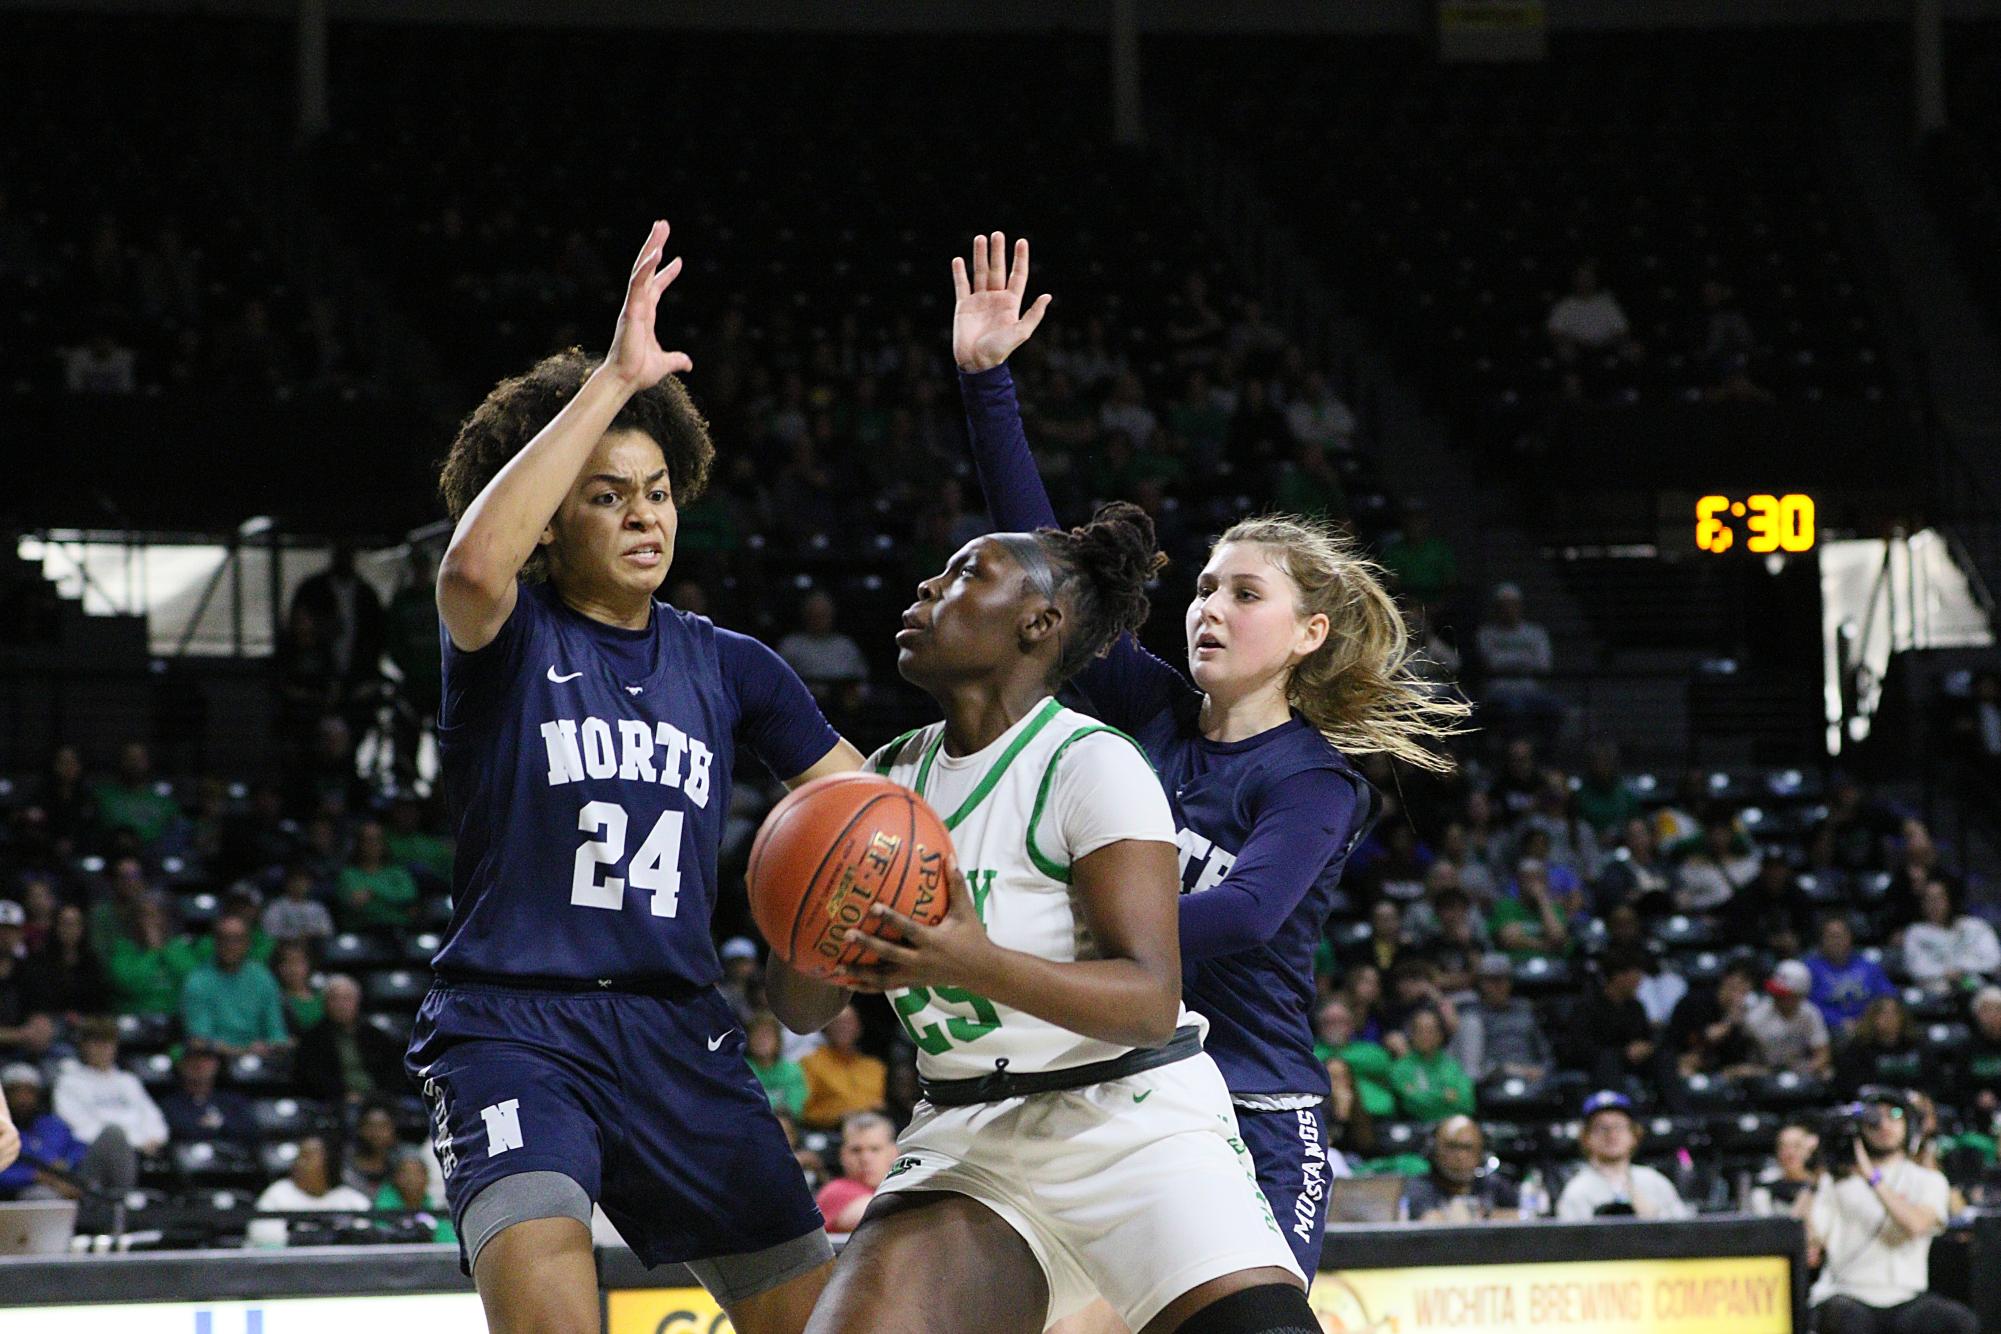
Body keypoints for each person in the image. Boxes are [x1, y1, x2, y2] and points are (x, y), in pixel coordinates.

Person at [949, 231, 1461, 1289]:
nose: (1208, 607)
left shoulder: (1313, 778)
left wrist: (1036, 942)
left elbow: (1243, 917)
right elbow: (1049, 573)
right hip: (1122, 1090)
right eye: (1202, 588)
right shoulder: (1153, 708)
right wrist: (989, 383)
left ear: (1310, 632)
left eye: (1243, 592)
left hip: (1257, 1111)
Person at [413, 222, 860, 1334]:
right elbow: (472, 561)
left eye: (657, 490)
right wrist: (614, 377)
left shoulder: (731, 664)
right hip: (514, 1026)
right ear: (555, 519)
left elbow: (871, 822)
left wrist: (832, 953)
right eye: (607, 494)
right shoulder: (508, 636)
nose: (645, 514)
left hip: (680, 1033)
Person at [812, 498, 1315, 1334]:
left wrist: (969, 962)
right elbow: (800, 1006)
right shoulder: (885, 778)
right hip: (968, 1135)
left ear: (1039, 624)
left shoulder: (1092, 763)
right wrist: (811, 916)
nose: (927, 588)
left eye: (965, 574)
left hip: (1132, 1123)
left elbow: (1151, 998)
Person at [1803, 1093, 1977, 1333]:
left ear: (1909, 1126)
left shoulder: (1929, 1180)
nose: (1884, 1125)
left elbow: (1916, 1226)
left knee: (1956, 1320)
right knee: (1844, 1318)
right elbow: (1811, 1240)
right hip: (1847, 1293)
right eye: (1874, 1119)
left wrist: (1872, 1178)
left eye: (1894, 1116)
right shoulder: (1835, 1182)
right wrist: (1816, 1174)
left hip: (1905, 1296)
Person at [1555, 1091, 1689, 1221]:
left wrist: (1653, 1218)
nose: (1612, 1135)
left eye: (1619, 1126)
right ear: (1586, 1137)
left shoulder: (1655, 1182)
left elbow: (1686, 1232)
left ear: (1634, 1134)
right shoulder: (1577, 1190)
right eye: (1602, 1128)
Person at [51, 1016, 167, 1159]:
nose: (102, 1049)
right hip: (95, 1153)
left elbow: (151, 1115)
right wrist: (133, 1142)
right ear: (83, 1045)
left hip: (142, 1149)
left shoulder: (128, 1080)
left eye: (107, 1043)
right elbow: (79, 1127)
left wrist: (153, 1138)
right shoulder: (69, 1082)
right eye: (96, 1043)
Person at [180, 915, 288, 1058]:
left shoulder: (263, 977)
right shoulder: (198, 981)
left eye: (237, 939)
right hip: (215, 1059)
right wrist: (242, 1052)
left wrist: (274, 1045)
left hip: (260, 1057)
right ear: (215, 942)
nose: (230, 945)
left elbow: (275, 1032)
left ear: (247, 943)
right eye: (224, 939)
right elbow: (200, 1040)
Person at [296, 975, 404, 1105]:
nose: (341, 1005)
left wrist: (380, 1096)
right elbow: (312, 1078)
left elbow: (394, 1072)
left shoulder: (375, 1035)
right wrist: (342, 1095)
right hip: (335, 1102)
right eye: (335, 999)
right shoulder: (312, 1039)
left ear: (357, 1001)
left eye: (347, 999)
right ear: (325, 1003)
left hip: (380, 1100)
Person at [1453, 952, 1552, 1085]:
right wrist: (1502, 1069)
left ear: (1510, 982)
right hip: (1494, 1079)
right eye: (1491, 980)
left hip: (1532, 1077)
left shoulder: (1525, 1011)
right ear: (1482, 983)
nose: (1497, 986)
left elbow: (1545, 1053)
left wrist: (1542, 1070)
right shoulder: (1472, 1016)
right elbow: (1472, 1063)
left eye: (1502, 979)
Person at [1402, 1116, 1521, 1222]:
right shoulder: (1419, 1186)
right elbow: (1429, 1220)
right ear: (1433, 1150)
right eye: (1452, 1147)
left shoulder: (1495, 1185)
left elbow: (1521, 1217)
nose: (1460, 1157)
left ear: (1482, 1151)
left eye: (1468, 1148)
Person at [1901, 877, 2001, 991]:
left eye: (1939, 898)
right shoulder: (1915, 932)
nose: (1934, 905)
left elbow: (1993, 960)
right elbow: (1915, 968)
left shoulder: (1975, 926)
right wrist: (1945, 972)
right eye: (1928, 899)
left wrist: (1961, 968)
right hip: (1934, 988)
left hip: (1974, 984)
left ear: (1950, 898)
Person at [798, 1006, 885, 1130]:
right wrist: (837, 1116)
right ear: (826, 1027)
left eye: (848, 1022)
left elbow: (880, 1104)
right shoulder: (810, 1063)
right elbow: (804, 1111)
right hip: (830, 1132)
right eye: (837, 1023)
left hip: (872, 1128)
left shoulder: (874, 1067)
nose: (843, 1028)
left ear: (858, 1027)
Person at [1744, 960, 1833, 1078]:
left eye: (1783, 995)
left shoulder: (1810, 1013)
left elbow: (1823, 1054)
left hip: (1801, 1069)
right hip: (1765, 1070)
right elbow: (1749, 1056)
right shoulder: (1756, 1016)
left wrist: (1809, 1068)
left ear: (1799, 995)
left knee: (1828, 1074)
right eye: (1775, 993)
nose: (1777, 998)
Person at [1808, 917, 1897, 1033]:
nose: (1837, 941)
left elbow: (1888, 996)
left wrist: (1869, 1021)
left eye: (1841, 936)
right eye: (1832, 937)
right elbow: (1809, 1006)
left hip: (1870, 1027)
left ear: (1850, 938)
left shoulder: (1869, 966)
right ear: (1822, 940)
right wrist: (1838, 1021)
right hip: (1829, 1030)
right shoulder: (1811, 969)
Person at [813, 1111, 896, 1234]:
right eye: (856, 1150)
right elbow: (883, 1217)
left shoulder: (894, 1191)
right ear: (843, 1155)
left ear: (893, 1153)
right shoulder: (835, 1191)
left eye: (875, 1149)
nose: (865, 1159)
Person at [1387, 1008, 1474, 1124]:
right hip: (1416, 1126)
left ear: (1440, 1035)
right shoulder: (1400, 1068)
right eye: (1420, 1031)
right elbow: (1412, 1104)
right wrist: (1445, 1096)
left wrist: (1424, 1094)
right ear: (1412, 1035)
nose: (1425, 1036)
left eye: (1430, 1030)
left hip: (1451, 1124)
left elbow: (1468, 1104)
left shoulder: (1452, 1066)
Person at [158, 1042, 257, 1145]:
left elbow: (251, 1132)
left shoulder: (234, 1101)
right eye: (192, 1059)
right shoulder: (169, 1104)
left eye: (206, 1060)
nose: (199, 1065)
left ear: (217, 1065)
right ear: (181, 1065)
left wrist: (221, 1124)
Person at [254, 1134, 373, 1217]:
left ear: (329, 1162)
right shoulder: (276, 1196)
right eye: (298, 1157)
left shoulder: (354, 1202)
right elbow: (266, 1243)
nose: (299, 1163)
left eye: (307, 1157)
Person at [1749, 1122, 1819, 1217]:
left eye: (1796, 1146)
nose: (1790, 1153)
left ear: (1810, 1151)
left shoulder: (1824, 1183)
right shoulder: (1765, 1188)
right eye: (1784, 1147)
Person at [747, 1011, 808, 1120]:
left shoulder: (792, 1070)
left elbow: (795, 1107)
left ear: (778, 1040)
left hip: (786, 1125)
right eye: (757, 1034)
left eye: (767, 1035)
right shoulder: (740, 1068)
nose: (762, 1040)